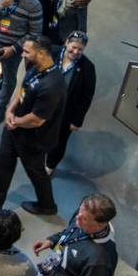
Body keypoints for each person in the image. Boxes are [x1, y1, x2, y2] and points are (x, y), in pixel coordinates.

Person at [0, 36, 65, 216]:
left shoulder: (52, 85)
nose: (22, 54)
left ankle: (47, 205)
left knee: (36, 173)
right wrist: (10, 110)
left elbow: (37, 120)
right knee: (3, 165)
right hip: (14, 129)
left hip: (33, 139)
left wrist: (15, 121)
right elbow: (22, 87)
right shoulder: (34, 66)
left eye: (26, 51)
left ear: (40, 53)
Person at [32, 195, 118, 276]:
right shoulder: (82, 215)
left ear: (100, 225)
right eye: (79, 211)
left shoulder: (99, 261)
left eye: (84, 219)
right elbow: (69, 231)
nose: (78, 217)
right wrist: (51, 241)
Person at [46, 32, 96, 173]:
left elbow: (87, 96)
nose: (76, 52)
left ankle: (50, 165)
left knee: (59, 140)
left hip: (65, 112)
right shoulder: (51, 52)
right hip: (44, 104)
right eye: (73, 47)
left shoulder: (88, 68)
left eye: (80, 49)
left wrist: (77, 120)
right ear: (67, 42)